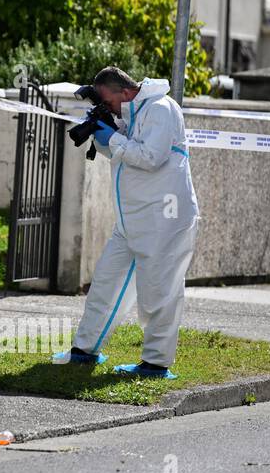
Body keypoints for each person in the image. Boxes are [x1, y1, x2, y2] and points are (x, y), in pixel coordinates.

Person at [54, 67, 199, 379]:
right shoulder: (130, 116)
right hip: (131, 220)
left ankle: (156, 364)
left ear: (124, 92)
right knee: (105, 284)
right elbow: (122, 155)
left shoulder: (160, 109)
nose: (109, 108)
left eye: (109, 102)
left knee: (159, 293)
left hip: (164, 221)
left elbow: (150, 157)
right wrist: (104, 135)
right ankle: (84, 350)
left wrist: (114, 137)